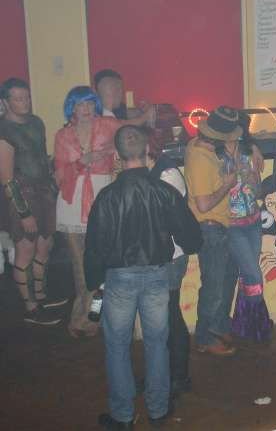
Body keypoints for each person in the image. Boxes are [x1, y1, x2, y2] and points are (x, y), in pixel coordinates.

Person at [84, 125, 201, 430]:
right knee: (157, 344)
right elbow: (192, 238)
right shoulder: (163, 191)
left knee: (117, 347)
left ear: (117, 156)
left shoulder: (107, 196)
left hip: (119, 278)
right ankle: (158, 410)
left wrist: (93, 283)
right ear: (147, 151)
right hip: (157, 275)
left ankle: (123, 416)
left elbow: (94, 246)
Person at [54, 86, 122, 338]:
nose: (85, 109)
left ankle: (95, 315)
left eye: (90, 103)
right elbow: (59, 177)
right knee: (80, 268)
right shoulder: (63, 136)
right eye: (80, 104)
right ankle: (83, 318)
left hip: (102, 201)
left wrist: (110, 152)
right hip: (72, 203)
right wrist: (82, 162)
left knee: (102, 265)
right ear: (71, 107)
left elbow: (132, 138)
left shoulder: (109, 125)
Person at [0, 77, 67, 325]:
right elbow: (7, 179)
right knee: (25, 250)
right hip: (22, 195)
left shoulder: (36, 122)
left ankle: (40, 296)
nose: (24, 102)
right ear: (5, 102)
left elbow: (40, 158)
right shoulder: (4, 131)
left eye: (26, 97)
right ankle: (30, 308)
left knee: (45, 245)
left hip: (44, 192)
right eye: (18, 98)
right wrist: (24, 212)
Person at [209, 106, 273, 342]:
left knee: (247, 275)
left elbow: (257, 189)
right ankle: (257, 323)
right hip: (231, 224)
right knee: (254, 275)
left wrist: (253, 179)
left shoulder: (248, 150)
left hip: (253, 220)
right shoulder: (213, 155)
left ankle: (244, 325)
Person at [184, 109, 239, 356]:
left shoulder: (199, 146)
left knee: (226, 279)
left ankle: (217, 326)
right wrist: (227, 185)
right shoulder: (200, 159)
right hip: (210, 227)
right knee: (214, 288)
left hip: (217, 227)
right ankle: (205, 338)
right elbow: (204, 204)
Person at [148, 142, 193, 399]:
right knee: (162, 317)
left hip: (172, 256)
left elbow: (169, 219)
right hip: (160, 256)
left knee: (171, 316)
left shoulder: (167, 174)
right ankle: (165, 374)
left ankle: (179, 376)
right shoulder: (154, 171)